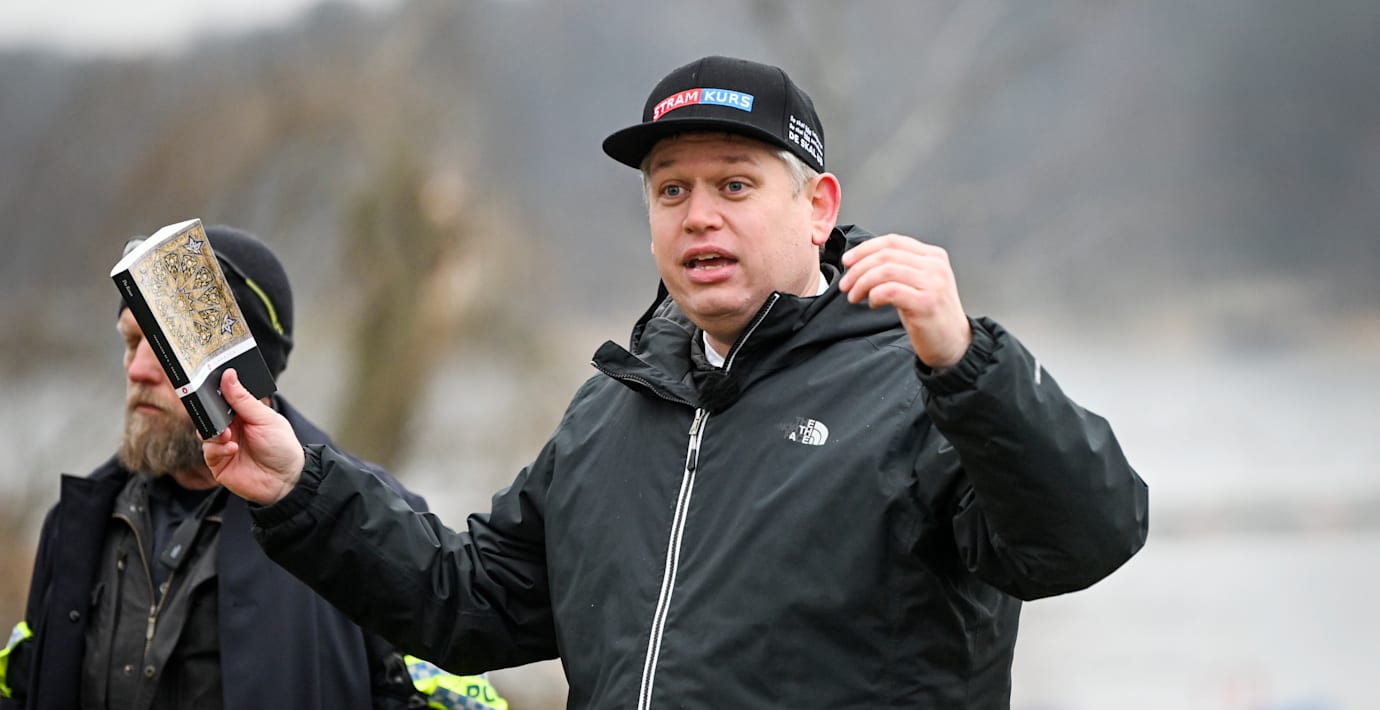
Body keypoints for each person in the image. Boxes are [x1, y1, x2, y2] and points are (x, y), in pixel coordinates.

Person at [203, 56, 1149, 708]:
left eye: (734, 185)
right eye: (671, 190)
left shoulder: (924, 385)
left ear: (817, 207)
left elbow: (1087, 539)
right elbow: (468, 602)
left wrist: (968, 360)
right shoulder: (612, 409)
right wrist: (301, 484)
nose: (698, 216)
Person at [0, 226, 506, 709]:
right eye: (131, 343)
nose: (137, 370)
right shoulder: (76, 524)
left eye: (166, 349)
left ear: (241, 369)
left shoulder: (361, 525)